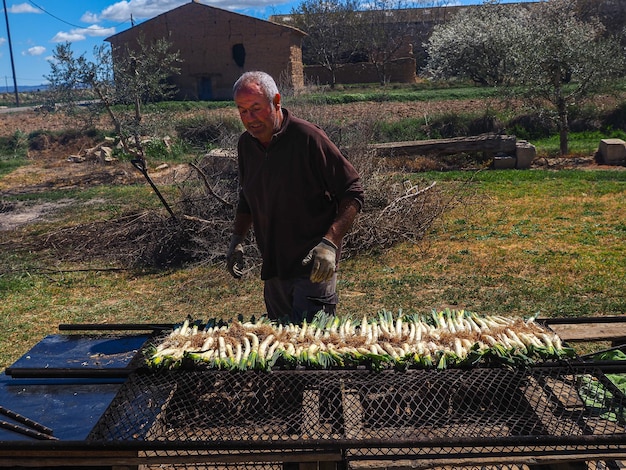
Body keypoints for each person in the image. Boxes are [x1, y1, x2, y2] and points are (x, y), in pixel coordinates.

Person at [226, 71, 364, 324]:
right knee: (281, 350)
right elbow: (247, 195)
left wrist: (330, 243)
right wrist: (238, 238)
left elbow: (352, 189)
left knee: (311, 350)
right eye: (242, 111)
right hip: (274, 270)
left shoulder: (307, 138)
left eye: (256, 108)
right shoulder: (247, 145)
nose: (249, 119)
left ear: (276, 101)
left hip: (313, 269)